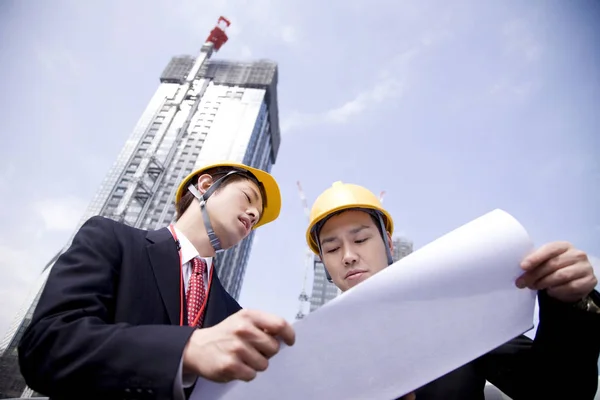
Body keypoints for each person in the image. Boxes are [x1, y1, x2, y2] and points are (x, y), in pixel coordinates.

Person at [18, 161, 296, 400]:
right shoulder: (112, 240)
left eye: (257, 217)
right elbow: (46, 346)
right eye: (248, 198)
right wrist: (185, 349)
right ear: (205, 184)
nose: (253, 214)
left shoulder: (234, 314)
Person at [305, 181, 600, 400]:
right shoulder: (309, 355)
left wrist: (570, 305)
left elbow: (558, 392)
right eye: (331, 248)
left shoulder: (454, 319)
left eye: (360, 240)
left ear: (389, 245)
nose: (347, 256)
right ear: (325, 264)